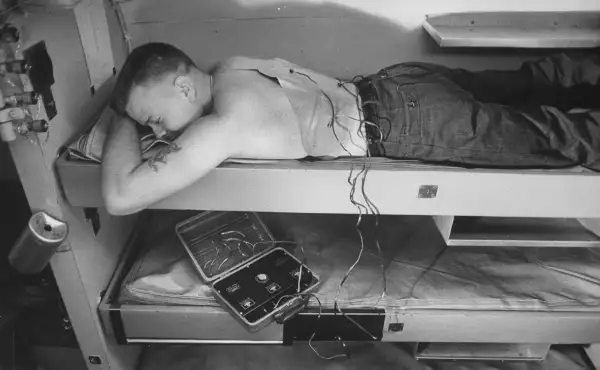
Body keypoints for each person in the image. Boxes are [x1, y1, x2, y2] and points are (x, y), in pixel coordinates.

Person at [101, 42, 600, 215]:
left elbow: (121, 197)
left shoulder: (223, 127)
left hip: (403, 120)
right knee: (532, 83)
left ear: (185, 87)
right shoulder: (232, 66)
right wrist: (138, 110)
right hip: (402, 82)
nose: (161, 135)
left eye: (155, 119)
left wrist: (120, 116)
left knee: (555, 138)